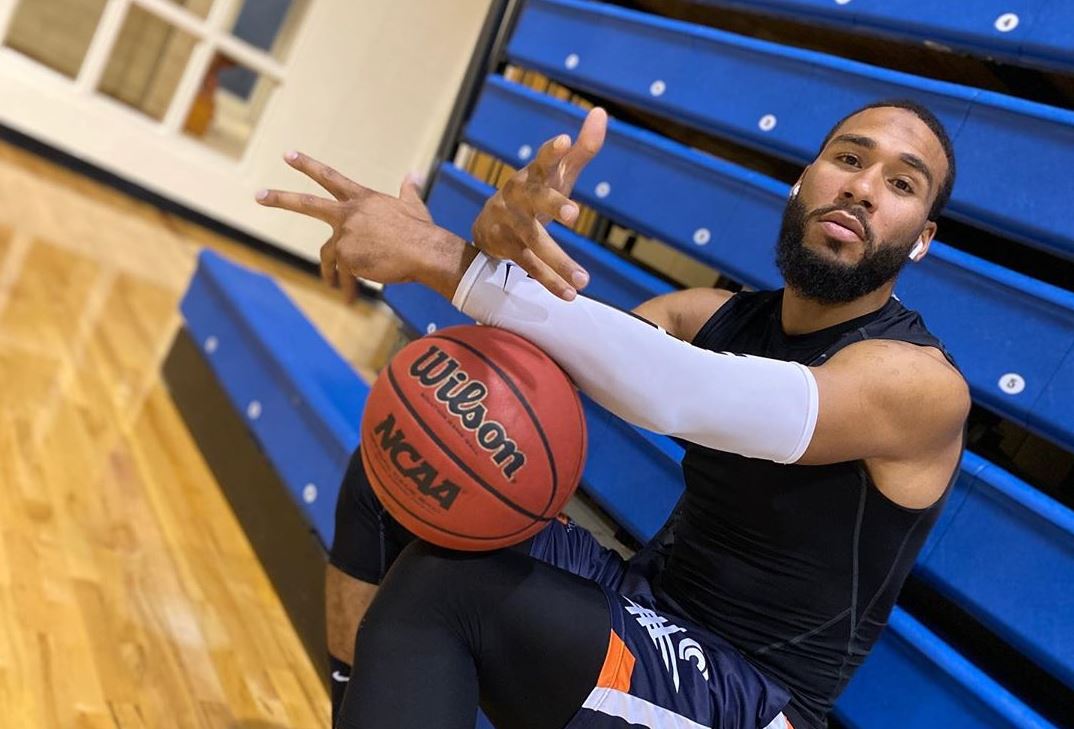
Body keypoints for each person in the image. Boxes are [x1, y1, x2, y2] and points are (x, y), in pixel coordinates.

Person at [256, 99, 970, 729]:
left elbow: (681, 390)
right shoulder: (718, 315)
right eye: (849, 158)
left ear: (922, 238)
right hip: (641, 602)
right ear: (802, 180)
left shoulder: (919, 384)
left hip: (751, 695)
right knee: (402, 463)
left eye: (901, 183)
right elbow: (573, 360)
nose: (864, 187)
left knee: (451, 590)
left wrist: (446, 260)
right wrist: (503, 252)